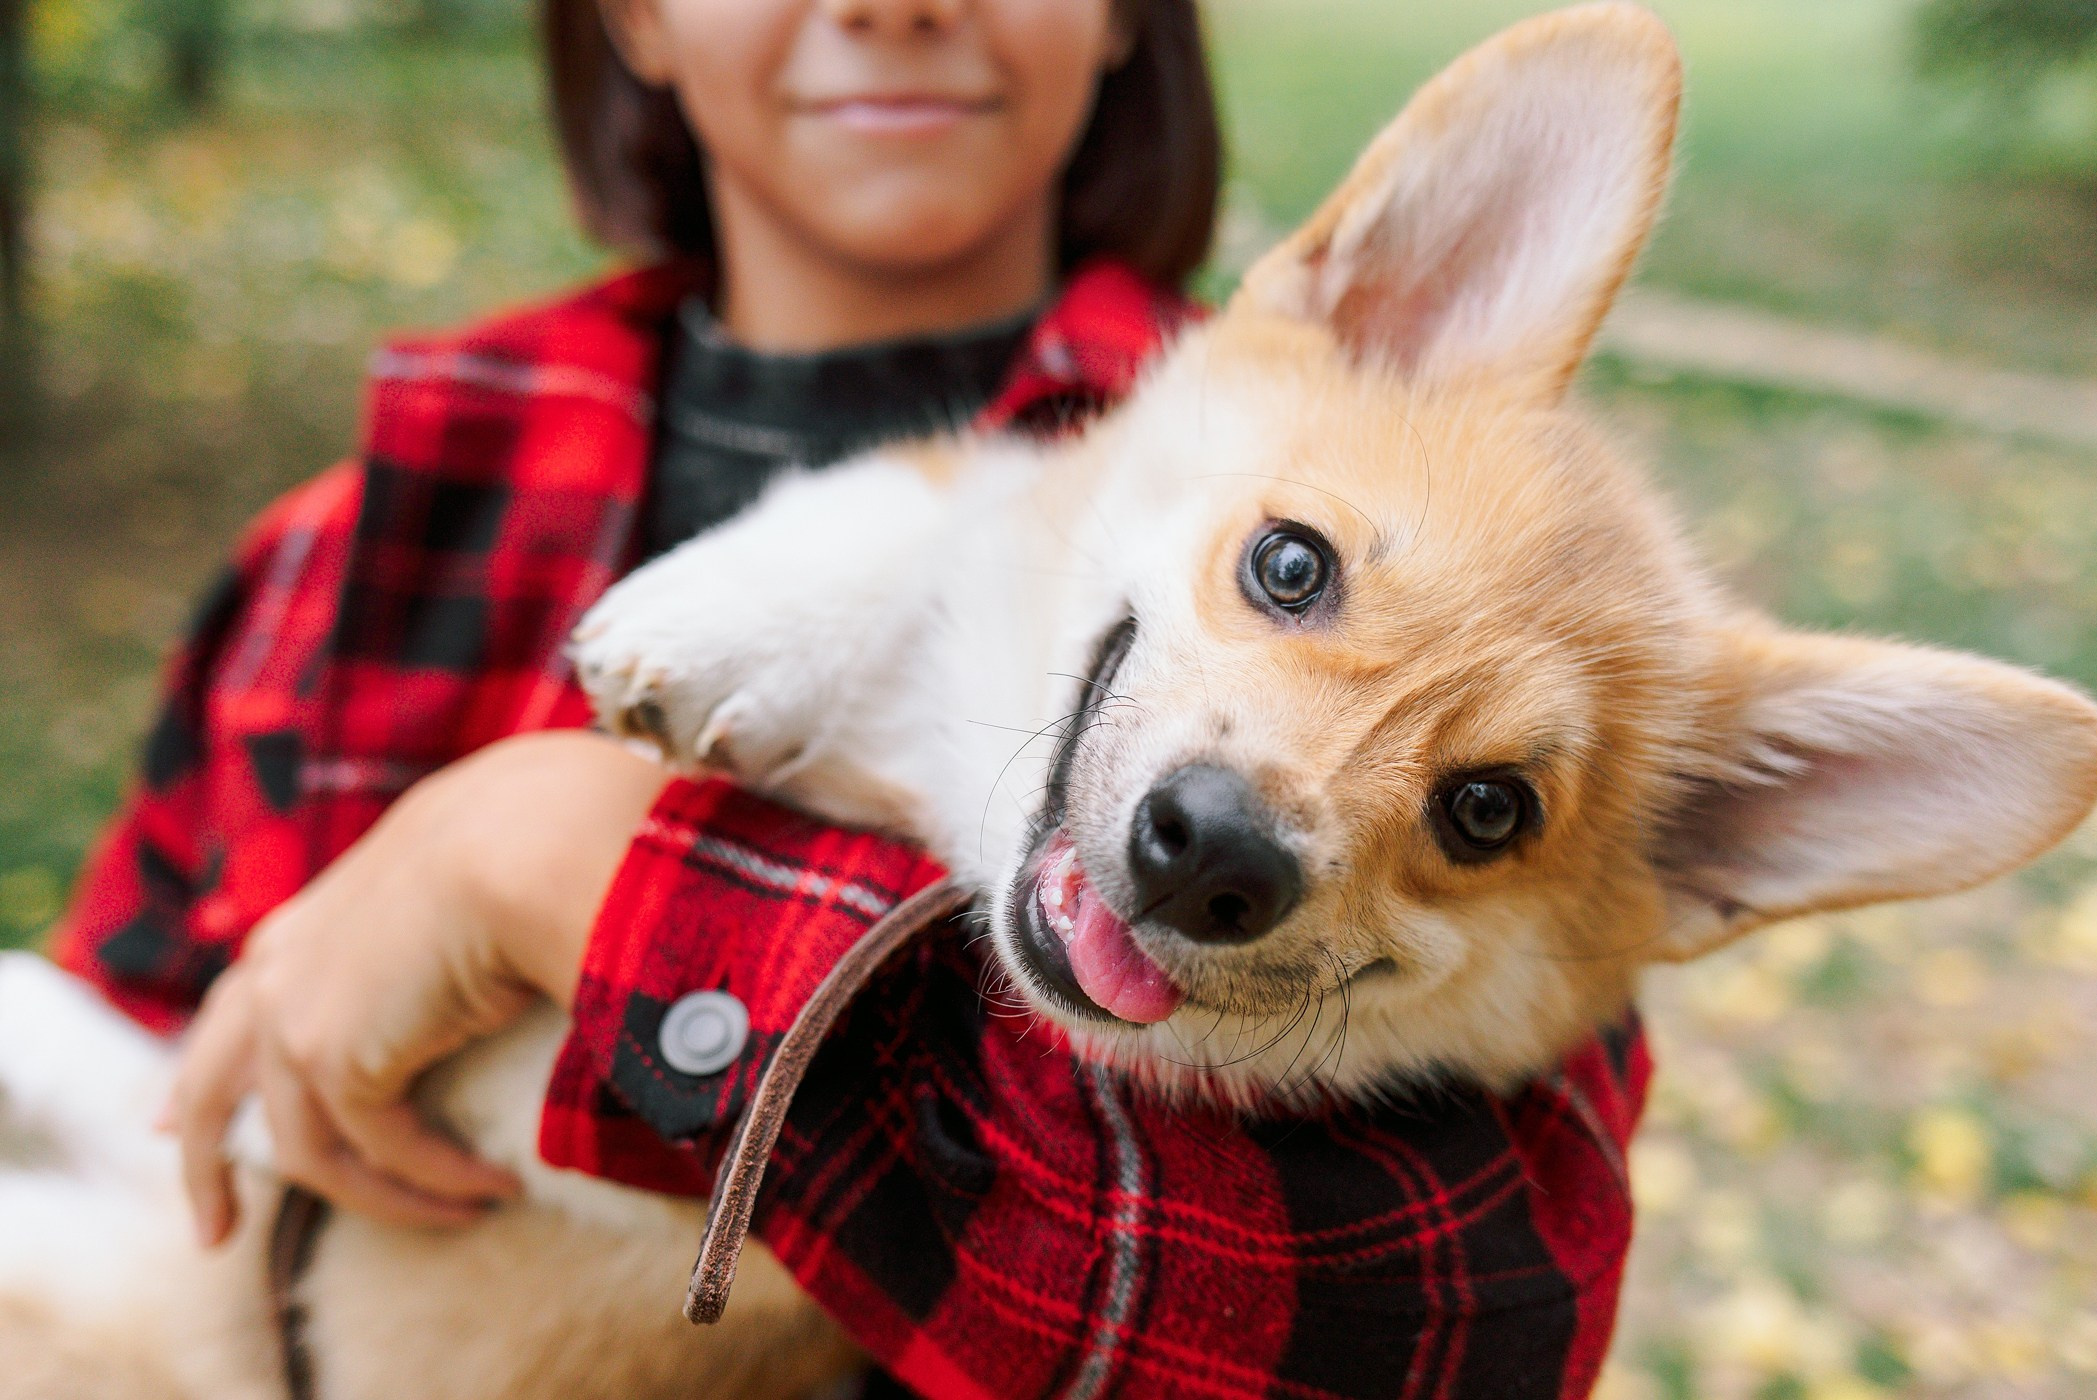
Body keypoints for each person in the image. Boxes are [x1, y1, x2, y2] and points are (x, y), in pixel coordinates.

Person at [51, 2, 1648, 1396]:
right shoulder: (341, 551)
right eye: (1287, 580)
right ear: (636, 14)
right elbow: (124, 1033)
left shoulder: (1441, 557)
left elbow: (1463, 1324)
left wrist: (555, 870)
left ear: (1121, 13)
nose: (895, 1)